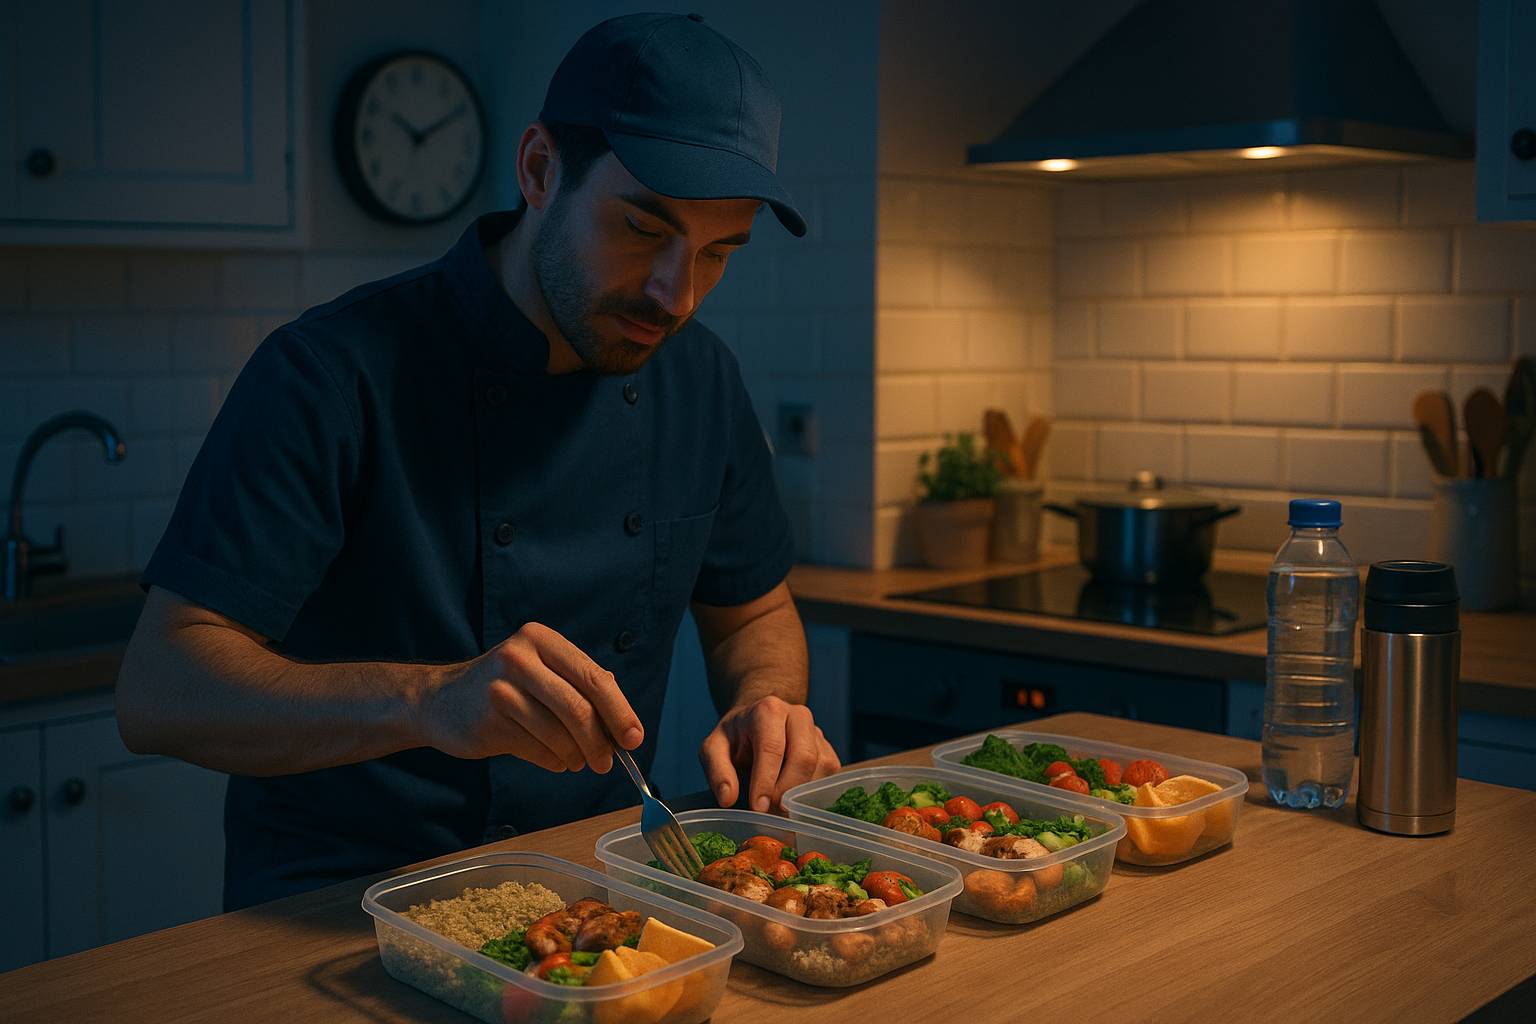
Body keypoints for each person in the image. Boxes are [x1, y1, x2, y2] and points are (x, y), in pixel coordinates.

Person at [115, 12, 841, 911]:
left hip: (590, 892)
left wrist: (768, 705)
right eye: (642, 229)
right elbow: (159, 687)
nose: (676, 293)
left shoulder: (700, 379)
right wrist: (426, 701)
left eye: (717, 253)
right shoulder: (330, 373)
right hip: (332, 910)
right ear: (540, 170)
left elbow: (753, 613)